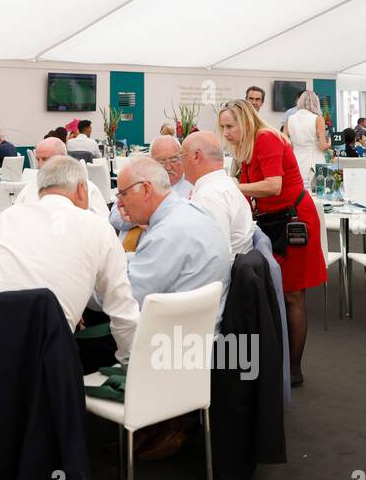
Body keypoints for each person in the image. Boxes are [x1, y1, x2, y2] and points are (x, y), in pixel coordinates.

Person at [0, 155, 138, 360]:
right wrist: (131, 364)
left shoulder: (7, 218)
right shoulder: (97, 227)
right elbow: (122, 310)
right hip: (42, 364)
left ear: (41, 190)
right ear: (81, 189)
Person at [220, 98, 325, 387]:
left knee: (293, 295)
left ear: (245, 121)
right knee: (283, 292)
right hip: (276, 220)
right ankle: (283, 362)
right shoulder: (250, 145)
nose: (226, 133)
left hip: (293, 222)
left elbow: (273, 185)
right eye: (223, 127)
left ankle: (293, 368)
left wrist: (231, 187)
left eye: (230, 126)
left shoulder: (265, 139)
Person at [117, 156, 231, 319]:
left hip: (170, 337)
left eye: (123, 194)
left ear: (147, 190)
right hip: (197, 329)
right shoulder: (190, 211)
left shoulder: (167, 233)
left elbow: (127, 299)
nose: (120, 204)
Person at [181, 131, 254, 259]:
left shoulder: (209, 196)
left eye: (182, 156)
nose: (180, 163)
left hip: (221, 276)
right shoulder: (224, 185)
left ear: (196, 156)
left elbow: (213, 258)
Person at [108, 135, 190, 236]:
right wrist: (139, 219)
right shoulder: (140, 178)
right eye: (161, 161)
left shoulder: (192, 188)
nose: (168, 167)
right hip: (130, 249)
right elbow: (114, 217)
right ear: (151, 161)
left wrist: (141, 216)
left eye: (173, 160)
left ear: (181, 158)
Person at [13, 137, 109, 218]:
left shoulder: (85, 188)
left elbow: (102, 222)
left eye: (46, 159)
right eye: (38, 159)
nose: (40, 165)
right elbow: (16, 216)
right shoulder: (31, 187)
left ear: (63, 158)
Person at [285, 91, 330, 187]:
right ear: (316, 103)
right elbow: (322, 146)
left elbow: (284, 144)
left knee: (298, 192)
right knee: (317, 192)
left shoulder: (290, 119)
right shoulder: (318, 119)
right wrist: (330, 143)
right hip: (315, 161)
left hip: (295, 160)